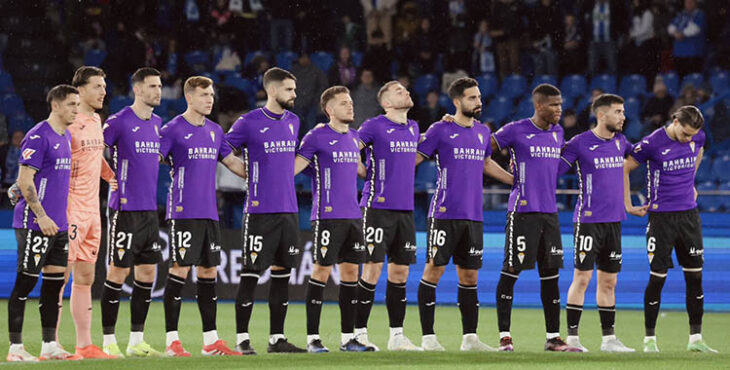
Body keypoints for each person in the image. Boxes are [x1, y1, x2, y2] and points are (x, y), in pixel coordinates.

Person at [416, 77, 513, 351]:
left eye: (479, 97)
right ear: (457, 101)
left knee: (470, 277)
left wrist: (513, 180)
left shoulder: (483, 132)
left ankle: (470, 338)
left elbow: (486, 163)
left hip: (473, 216)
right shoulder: (440, 129)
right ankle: (428, 339)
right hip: (445, 213)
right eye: (472, 97)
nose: (478, 102)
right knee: (433, 271)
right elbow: (415, 157)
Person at [160, 76, 247, 357]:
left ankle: (211, 341)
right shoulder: (172, 129)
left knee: (208, 272)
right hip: (184, 211)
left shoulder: (214, 129)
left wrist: (265, 173)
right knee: (179, 270)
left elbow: (232, 162)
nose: (210, 99)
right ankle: (172, 341)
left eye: (211, 95)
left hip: (210, 212)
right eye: (204, 95)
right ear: (189, 97)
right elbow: (152, 162)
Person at [492, 84, 579, 352]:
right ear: (539, 106)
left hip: (550, 214)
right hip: (522, 212)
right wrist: (510, 178)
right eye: (554, 105)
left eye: (561, 104)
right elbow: (482, 149)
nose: (559, 110)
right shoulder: (515, 130)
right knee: (511, 271)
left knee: (550, 275)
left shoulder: (558, 133)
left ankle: (553, 337)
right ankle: (505, 337)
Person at [623, 105, 717, 353]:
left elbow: (699, 150)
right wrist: (628, 204)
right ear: (675, 121)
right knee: (658, 278)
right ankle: (649, 340)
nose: (689, 139)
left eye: (692, 135)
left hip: (689, 216)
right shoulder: (653, 142)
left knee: (695, 277)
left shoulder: (697, 136)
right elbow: (625, 166)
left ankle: (696, 339)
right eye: (685, 133)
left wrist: (691, 182)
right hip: (661, 219)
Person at [225, 67, 306, 354]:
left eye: (294, 90)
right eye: (289, 89)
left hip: (289, 210)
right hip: (260, 212)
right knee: (251, 273)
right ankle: (242, 339)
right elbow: (222, 148)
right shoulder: (249, 121)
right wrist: (244, 171)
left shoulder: (294, 121)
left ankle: (276, 339)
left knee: (283, 273)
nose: (294, 94)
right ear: (272, 91)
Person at [6, 85, 79, 362]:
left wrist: (61, 218)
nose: (75, 109)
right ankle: (15, 348)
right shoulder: (38, 136)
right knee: (25, 283)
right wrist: (42, 215)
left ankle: (49, 344)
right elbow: (25, 182)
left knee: (53, 285)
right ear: (56, 106)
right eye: (71, 104)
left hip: (59, 225)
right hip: (35, 223)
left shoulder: (66, 135)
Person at [295, 86, 369, 353]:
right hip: (327, 216)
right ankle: (312, 339)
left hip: (353, 216)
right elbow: (295, 167)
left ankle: (348, 338)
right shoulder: (316, 136)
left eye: (350, 102)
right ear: (329, 109)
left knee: (351, 274)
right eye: (343, 103)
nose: (350, 106)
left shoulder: (354, 137)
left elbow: (361, 170)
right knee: (321, 273)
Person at [559, 94, 635, 352]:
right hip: (589, 221)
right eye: (618, 112)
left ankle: (609, 340)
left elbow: (646, 154)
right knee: (582, 278)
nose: (623, 116)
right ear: (601, 115)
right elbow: (554, 168)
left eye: (623, 112)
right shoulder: (580, 143)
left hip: (614, 222)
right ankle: (572, 338)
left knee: (609, 282)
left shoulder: (622, 142)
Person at [100, 67, 164, 358]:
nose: (158, 91)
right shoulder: (118, 121)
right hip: (124, 208)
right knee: (118, 270)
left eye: (160, 86)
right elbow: (96, 151)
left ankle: (136, 340)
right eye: (152, 86)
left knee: (148, 272)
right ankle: (108, 340)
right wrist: (107, 175)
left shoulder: (158, 123)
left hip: (150, 211)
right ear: (137, 89)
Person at [354, 81, 421, 351]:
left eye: (406, 89)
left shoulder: (414, 128)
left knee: (401, 272)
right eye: (399, 91)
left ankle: (396, 336)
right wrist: (364, 173)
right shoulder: (373, 126)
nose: (406, 91)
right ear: (387, 103)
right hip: (377, 207)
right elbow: (350, 149)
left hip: (405, 209)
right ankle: (358, 333)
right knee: (372, 269)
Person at [59, 66, 118, 359]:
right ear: (79, 90)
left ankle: (85, 345)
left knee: (85, 277)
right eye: (97, 86)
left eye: (104, 86)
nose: (103, 91)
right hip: (70, 210)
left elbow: (96, 157)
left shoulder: (96, 120)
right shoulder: (67, 124)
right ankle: (51, 344)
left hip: (94, 210)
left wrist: (111, 177)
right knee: (60, 275)